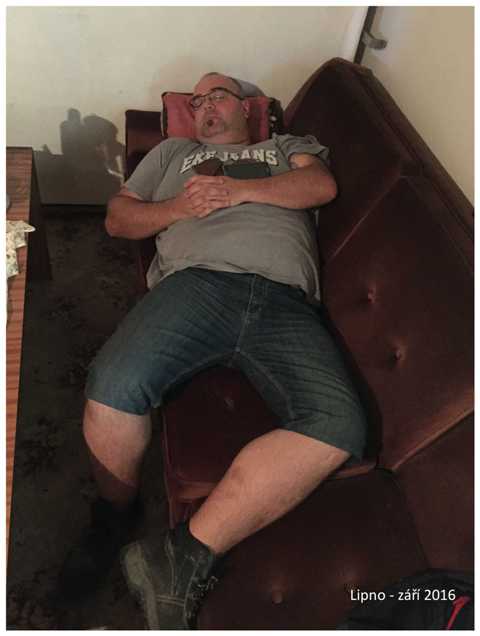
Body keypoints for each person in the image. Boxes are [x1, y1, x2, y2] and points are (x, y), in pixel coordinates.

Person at [60, 73, 367, 628]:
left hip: (285, 301)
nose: (204, 106)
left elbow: (320, 186)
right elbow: (118, 219)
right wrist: (179, 208)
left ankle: (181, 554)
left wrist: (238, 190)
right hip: (196, 284)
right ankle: (114, 514)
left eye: (217, 95)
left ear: (248, 109)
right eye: (197, 101)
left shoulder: (284, 147)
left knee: (341, 424)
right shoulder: (173, 153)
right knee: (113, 385)